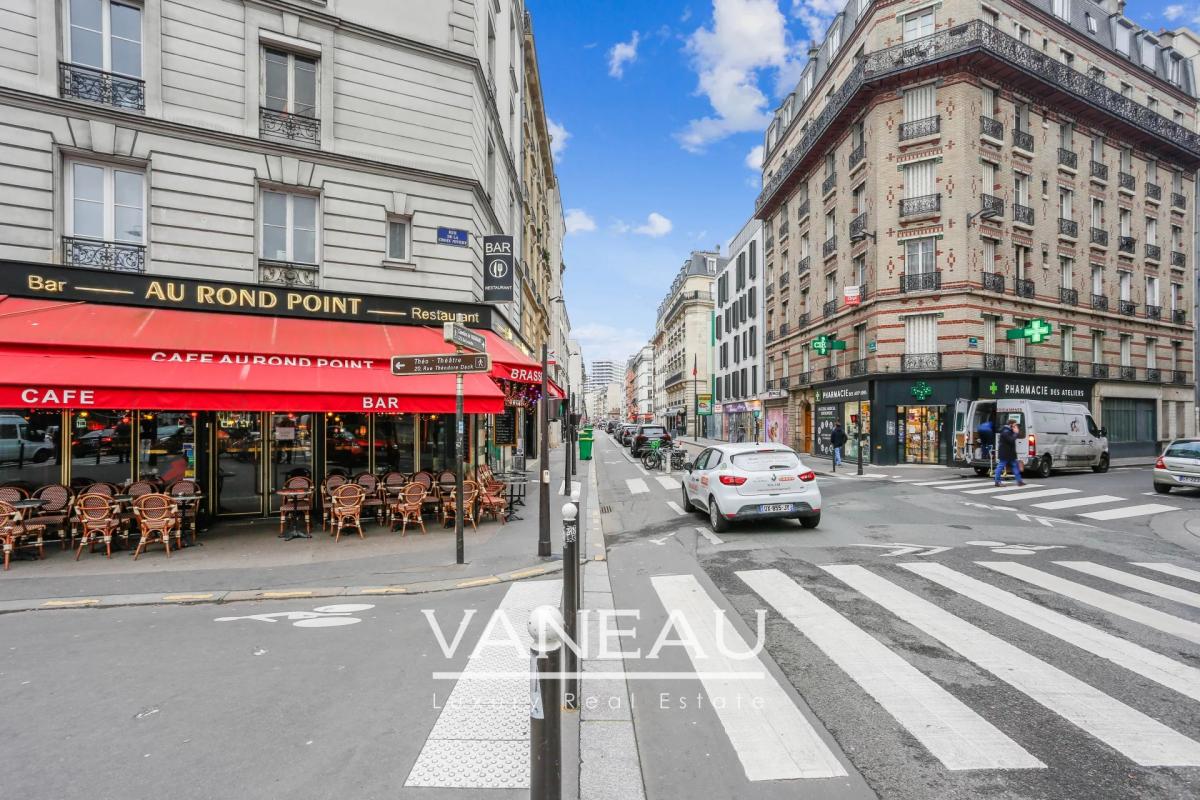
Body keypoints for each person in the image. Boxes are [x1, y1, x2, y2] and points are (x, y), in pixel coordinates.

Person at [993, 420, 1025, 487]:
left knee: (1015, 466)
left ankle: (1019, 481)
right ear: (1011, 425)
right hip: (1005, 453)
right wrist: (1015, 433)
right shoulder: (1005, 431)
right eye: (1014, 425)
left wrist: (1016, 432)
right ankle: (997, 481)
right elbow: (1011, 440)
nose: (1016, 426)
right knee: (1000, 466)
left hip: (1010, 453)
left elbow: (1016, 436)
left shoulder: (1009, 430)